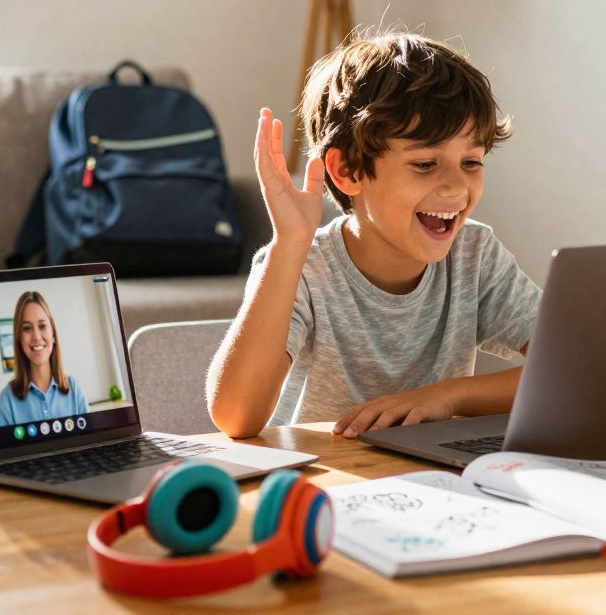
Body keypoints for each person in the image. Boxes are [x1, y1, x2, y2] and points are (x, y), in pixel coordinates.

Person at [206, 31, 542, 439]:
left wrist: (449, 397)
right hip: (323, 470)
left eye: (471, 162)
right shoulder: (303, 267)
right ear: (348, 171)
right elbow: (235, 416)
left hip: (430, 471)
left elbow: (578, 368)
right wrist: (289, 244)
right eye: (425, 164)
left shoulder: (476, 255)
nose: (457, 188)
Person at [0, 291, 89, 427]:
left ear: (53, 335)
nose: (36, 337)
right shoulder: (7, 399)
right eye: (27, 328)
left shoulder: (73, 389)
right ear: (19, 340)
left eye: (42, 326)